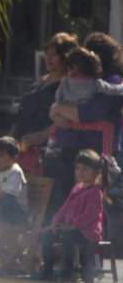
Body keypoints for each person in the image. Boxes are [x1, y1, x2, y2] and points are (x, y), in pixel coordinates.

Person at [44, 32, 123, 222]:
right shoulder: (75, 79)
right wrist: (56, 110)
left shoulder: (111, 80)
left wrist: (59, 109)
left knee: (90, 205)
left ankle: (90, 247)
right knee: (61, 200)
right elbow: (59, 104)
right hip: (68, 146)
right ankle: (54, 245)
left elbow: (86, 113)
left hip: (95, 153)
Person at [33, 149, 109, 281]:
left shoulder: (95, 192)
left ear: (96, 172)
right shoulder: (76, 188)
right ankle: (47, 269)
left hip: (87, 232)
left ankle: (67, 272)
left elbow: (90, 215)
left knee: (67, 237)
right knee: (48, 234)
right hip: (69, 228)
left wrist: (72, 226)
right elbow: (64, 208)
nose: (80, 172)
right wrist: (55, 223)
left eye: (85, 169)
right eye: (78, 168)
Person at [11, 32, 79, 176]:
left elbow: (71, 118)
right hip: (23, 147)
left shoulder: (70, 85)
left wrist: (42, 135)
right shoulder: (41, 80)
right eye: (47, 53)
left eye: (54, 54)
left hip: (48, 151)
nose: (48, 58)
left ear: (65, 57)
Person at [44, 47, 123, 157]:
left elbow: (58, 99)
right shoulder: (94, 83)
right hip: (87, 125)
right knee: (108, 128)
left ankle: (50, 147)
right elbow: (111, 90)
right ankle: (107, 156)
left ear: (73, 68)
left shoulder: (65, 82)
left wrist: (57, 110)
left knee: (54, 126)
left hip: (68, 123)